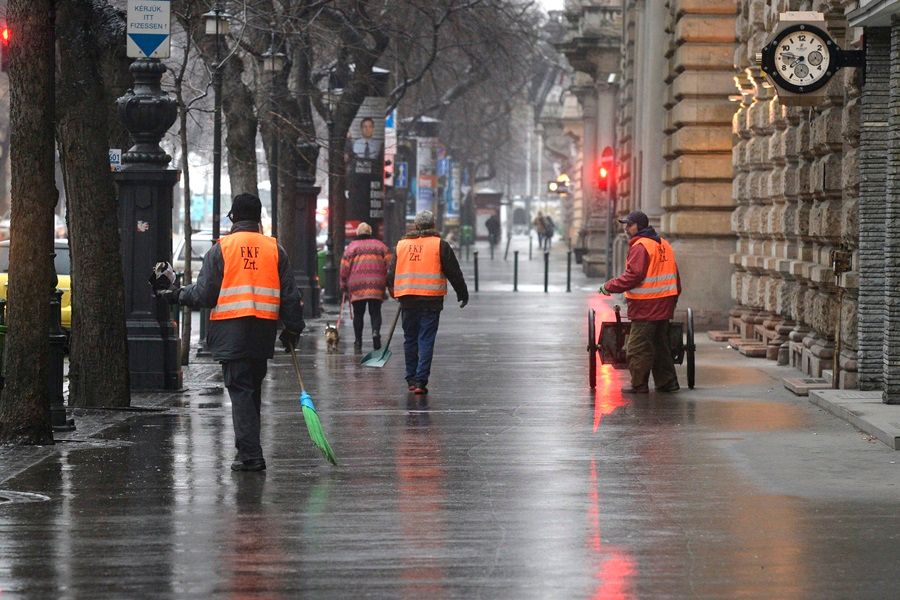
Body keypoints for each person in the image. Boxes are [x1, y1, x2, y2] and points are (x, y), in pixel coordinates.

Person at [157, 193, 306, 471]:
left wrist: (176, 295)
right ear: (258, 217)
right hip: (262, 331)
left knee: (241, 391)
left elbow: (204, 295)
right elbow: (290, 294)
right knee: (250, 391)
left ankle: (251, 455)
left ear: (234, 217)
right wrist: (292, 329)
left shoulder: (221, 249)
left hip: (231, 329)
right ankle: (246, 449)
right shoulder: (275, 249)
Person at [598, 210, 680, 394]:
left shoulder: (641, 246)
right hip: (665, 302)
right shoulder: (664, 244)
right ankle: (667, 382)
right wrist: (674, 298)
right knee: (660, 344)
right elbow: (675, 275)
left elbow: (633, 275)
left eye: (630, 225)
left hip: (647, 304)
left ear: (640, 226)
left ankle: (639, 384)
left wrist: (609, 286)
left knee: (637, 345)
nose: (626, 229)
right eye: (626, 225)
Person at [388, 210, 469, 395]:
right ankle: (420, 381)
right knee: (426, 339)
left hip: (407, 299)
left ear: (416, 226)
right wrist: (462, 293)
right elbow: (454, 272)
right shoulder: (440, 245)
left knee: (410, 339)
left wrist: (394, 292)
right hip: (431, 300)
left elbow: (391, 274)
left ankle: (411, 378)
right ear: (433, 225)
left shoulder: (402, 245)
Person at [340, 222, 392, 353]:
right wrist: (388, 283)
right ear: (370, 232)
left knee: (358, 314)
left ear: (357, 233)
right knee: (375, 312)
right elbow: (389, 265)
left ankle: (358, 341)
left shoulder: (351, 248)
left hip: (357, 284)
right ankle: (375, 332)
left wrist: (343, 284)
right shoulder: (381, 246)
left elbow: (344, 268)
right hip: (376, 283)